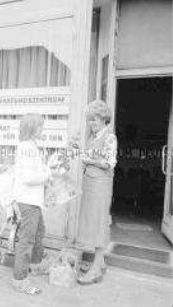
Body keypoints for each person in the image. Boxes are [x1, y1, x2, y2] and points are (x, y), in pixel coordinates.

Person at [72, 100, 117, 285]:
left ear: (104, 119)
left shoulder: (109, 138)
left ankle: (97, 269)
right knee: (91, 222)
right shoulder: (93, 137)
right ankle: (101, 262)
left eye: (95, 119)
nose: (92, 123)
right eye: (90, 119)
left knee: (98, 223)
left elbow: (109, 163)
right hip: (90, 183)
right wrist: (82, 155)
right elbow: (90, 159)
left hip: (100, 185)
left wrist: (88, 159)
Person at [10, 113, 56, 295]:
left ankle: (34, 266)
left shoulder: (31, 146)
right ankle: (20, 280)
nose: (42, 129)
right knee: (27, 241)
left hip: (32, 200)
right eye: (40, 126)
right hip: (27, 200)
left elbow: (34, 171)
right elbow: (28, 178)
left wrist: (48, 167)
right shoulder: (26, 147)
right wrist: (47, 176)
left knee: (38, 233)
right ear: (31, 128)